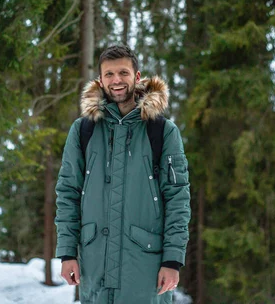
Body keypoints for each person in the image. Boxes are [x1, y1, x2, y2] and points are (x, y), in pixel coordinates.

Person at [55, 45, 191, 304]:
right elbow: (68, 193)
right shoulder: (83, 130)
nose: (116, 80)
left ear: (137, 77)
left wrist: (173, 259)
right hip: (95, 264)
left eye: (123, 73)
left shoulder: (162, 131)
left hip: (145, 267)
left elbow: (178, 198)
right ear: (100, 80)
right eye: (109, 74)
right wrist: (67, 253)